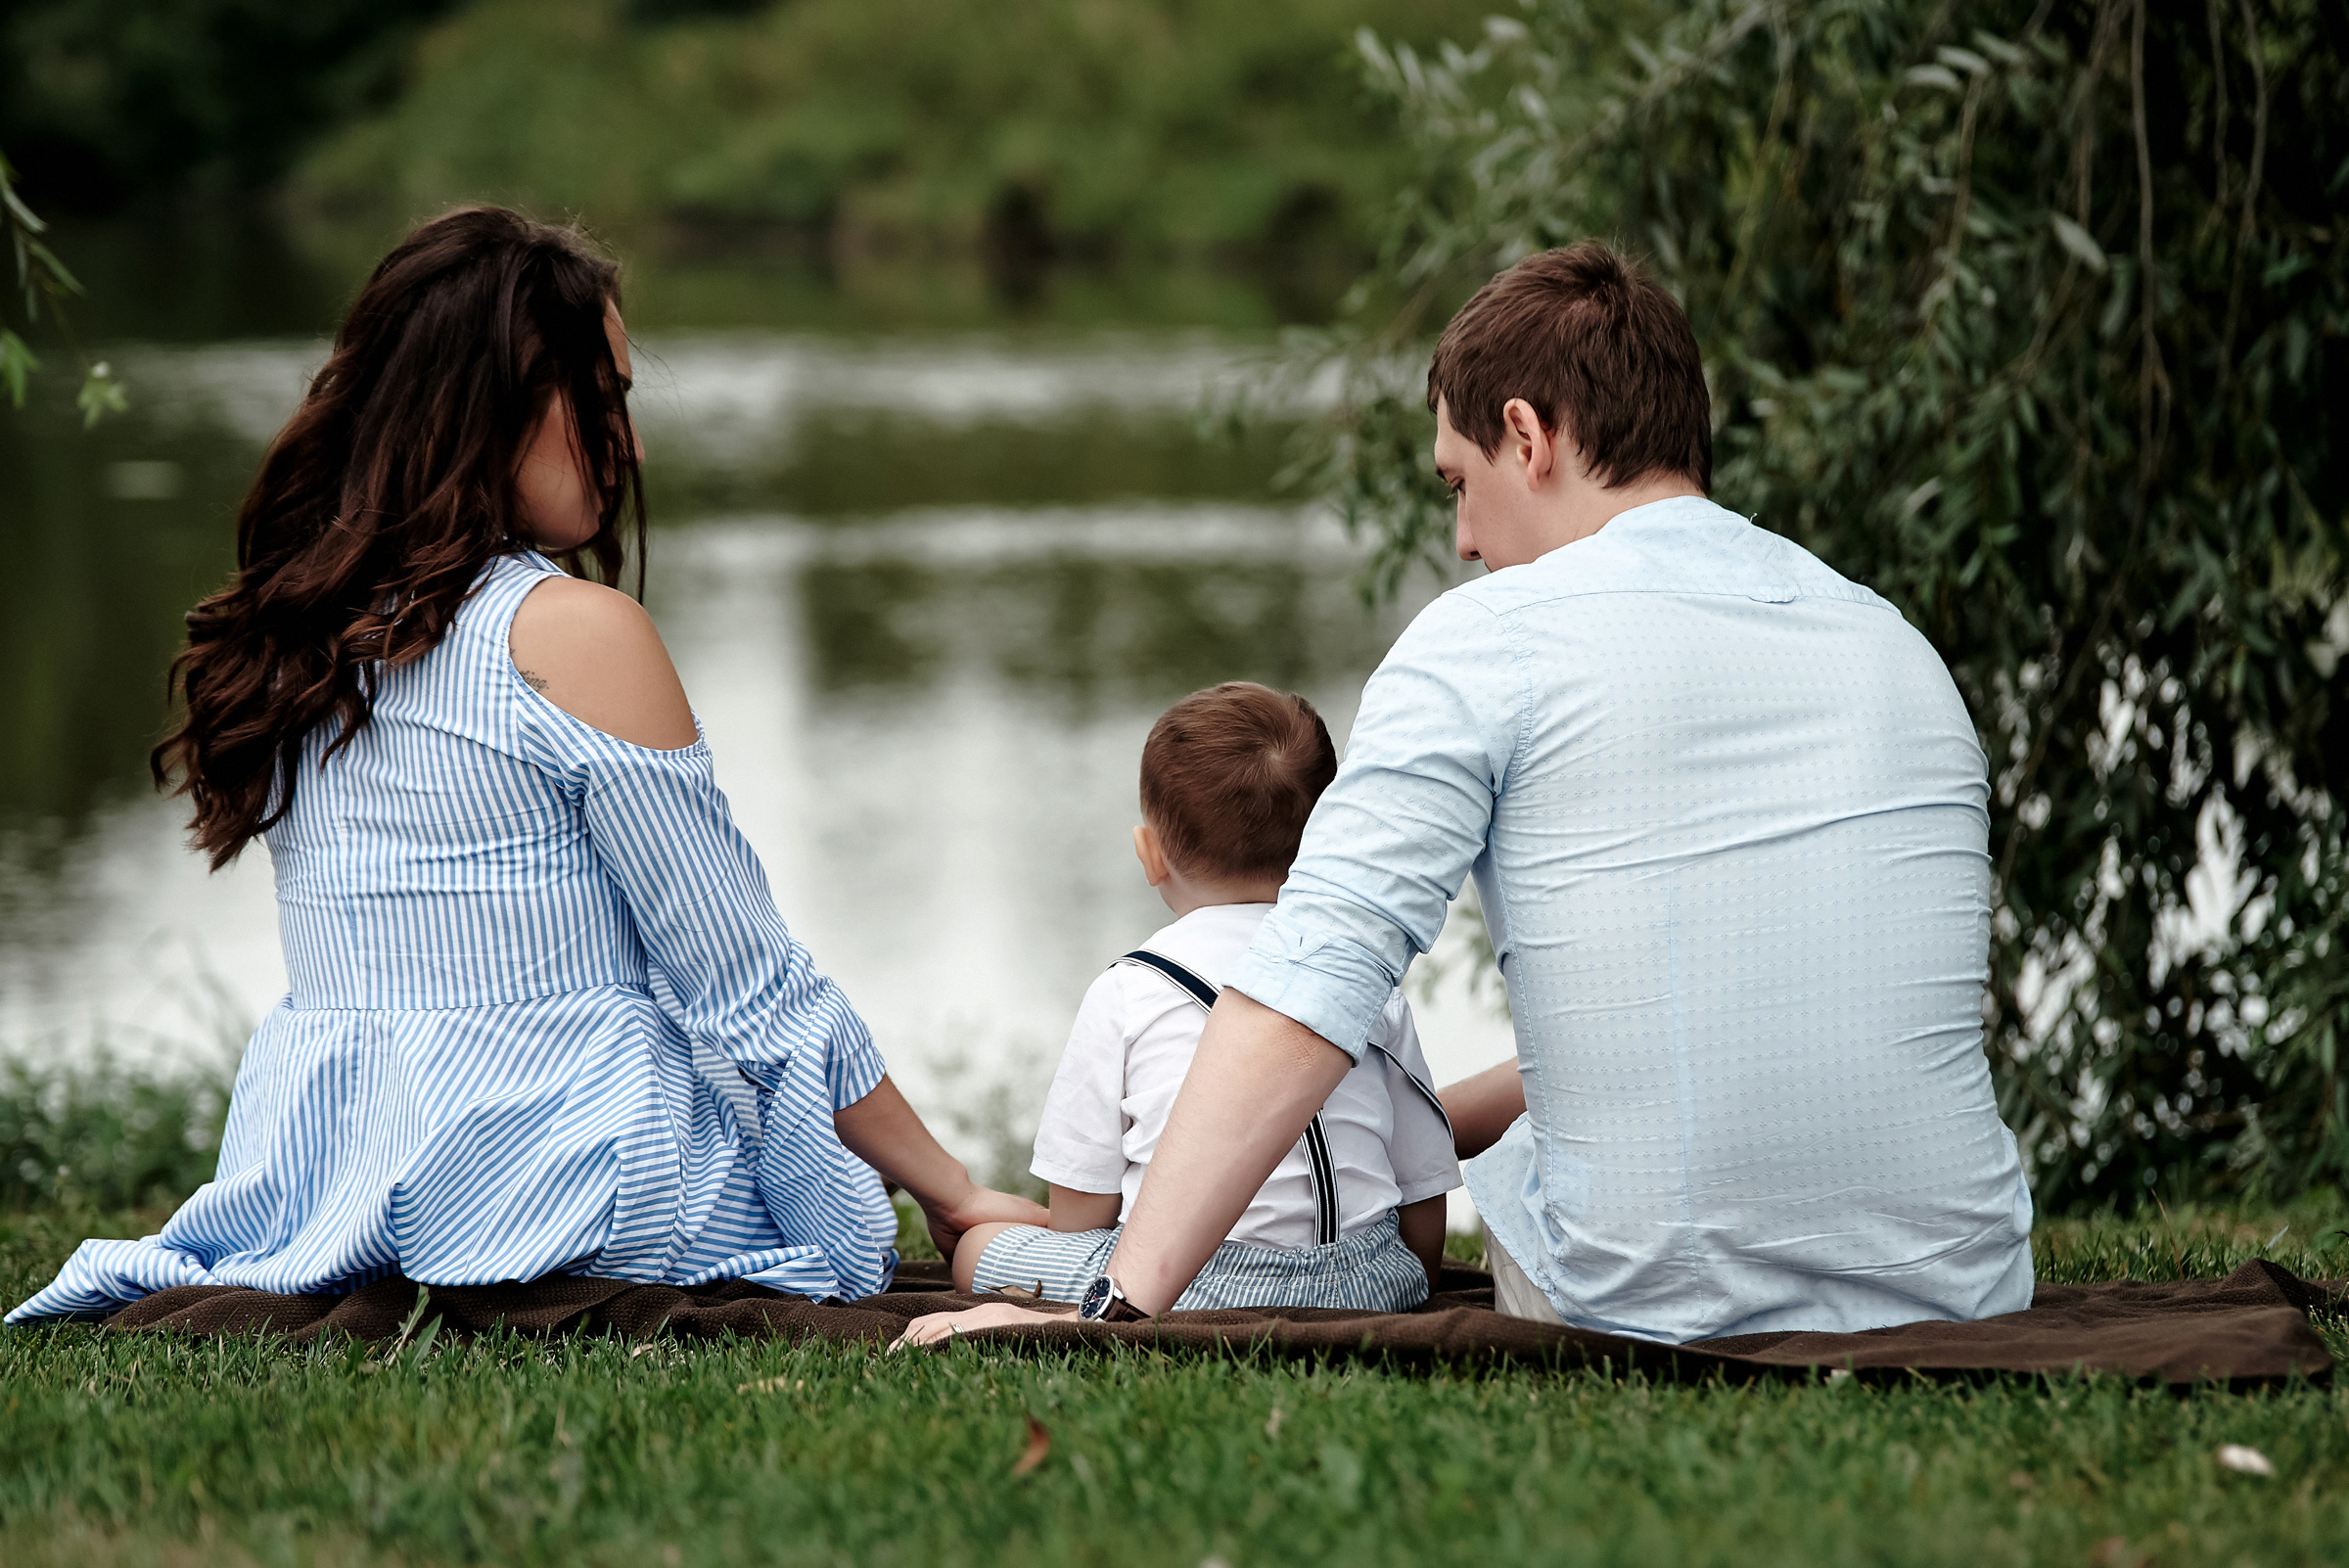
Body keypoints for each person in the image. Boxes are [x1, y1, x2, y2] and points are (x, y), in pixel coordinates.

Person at [900, 241, 2034, 1347]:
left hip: (1662, 1309)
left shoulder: (1492, 641)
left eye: (1459, 482)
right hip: (1961, 1281)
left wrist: (1111, 1311)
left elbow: (1310, 983)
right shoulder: (1892, 644)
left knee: (1544, 1159)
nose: (1461, 539)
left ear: (1528, 438)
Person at [7, 207, 1041, 1326]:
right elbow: (747, 985)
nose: (629, 444)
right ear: (489, 402)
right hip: (570, 1172)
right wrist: (951, 1190)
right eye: (603, 399)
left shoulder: (299, 635)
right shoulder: (572, 632)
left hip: (330, 1177)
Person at [955, 682, 1458, 1312]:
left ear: (1150, 855)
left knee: (977, 1248)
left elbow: (1081, 1215)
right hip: (1371, 1278)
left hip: (1191, 1282)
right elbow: (1423, 1187)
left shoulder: (1130, 989)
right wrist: (1408, 1281)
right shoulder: (1365, 981)